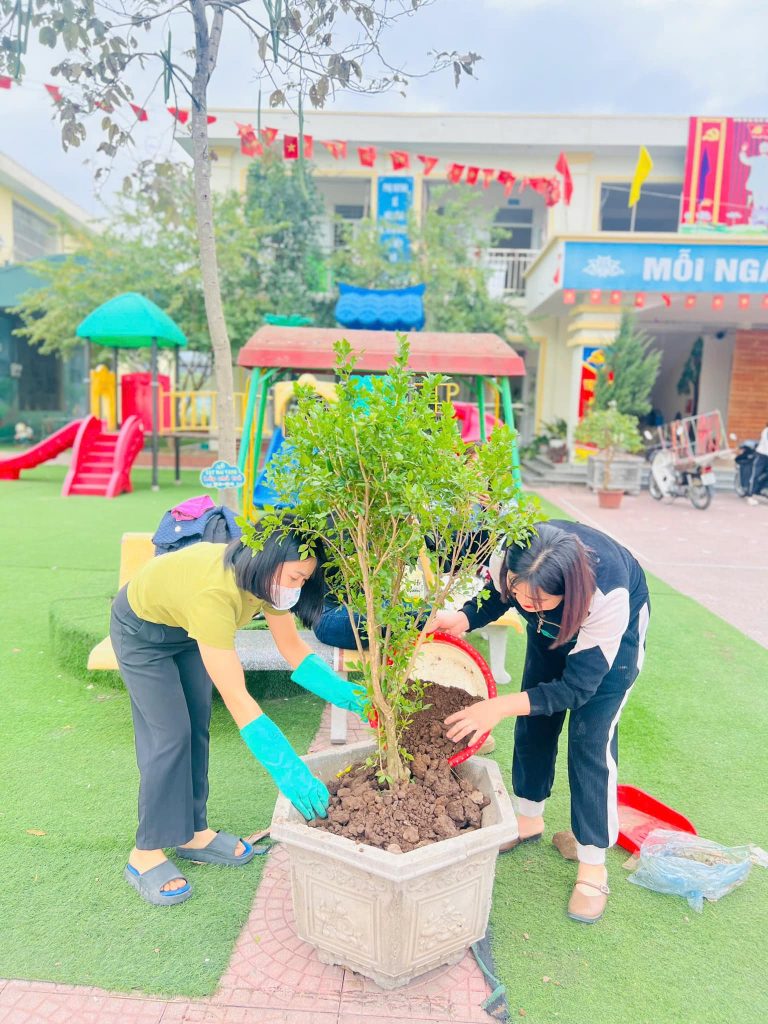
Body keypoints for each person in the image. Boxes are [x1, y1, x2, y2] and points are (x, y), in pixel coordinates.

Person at [110, 525, 367, 906]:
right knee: (171, 735)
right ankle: (145, 852)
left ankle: (192, 833)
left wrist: (348, 696)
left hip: (186, 629)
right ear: (268, 562)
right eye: (295, 577)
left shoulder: (268, 583)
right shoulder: (215, 593)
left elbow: (292, 648)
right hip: (141, 632)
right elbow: (237, 697)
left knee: (197, 726)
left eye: (304, 580)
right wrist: (287, 768)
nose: (297, 588)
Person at [430, 521, 650, 925]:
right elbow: (498, 596)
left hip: (612, 648)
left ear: (570, 590)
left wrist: (497, 706)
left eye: (539, 598)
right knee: (533, 721)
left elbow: (577, 688)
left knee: (590, 740)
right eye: (519, 591)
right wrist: (462, 618)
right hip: (551, 630)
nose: (524, 602)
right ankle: (528, 819)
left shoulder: (608, 596)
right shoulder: (513, 553)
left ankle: (593, 865)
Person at [746, 420, 768, 505]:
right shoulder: (766, 431)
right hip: (761, 456)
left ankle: (763, 490)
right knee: (755, 475)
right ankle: (750, 496)